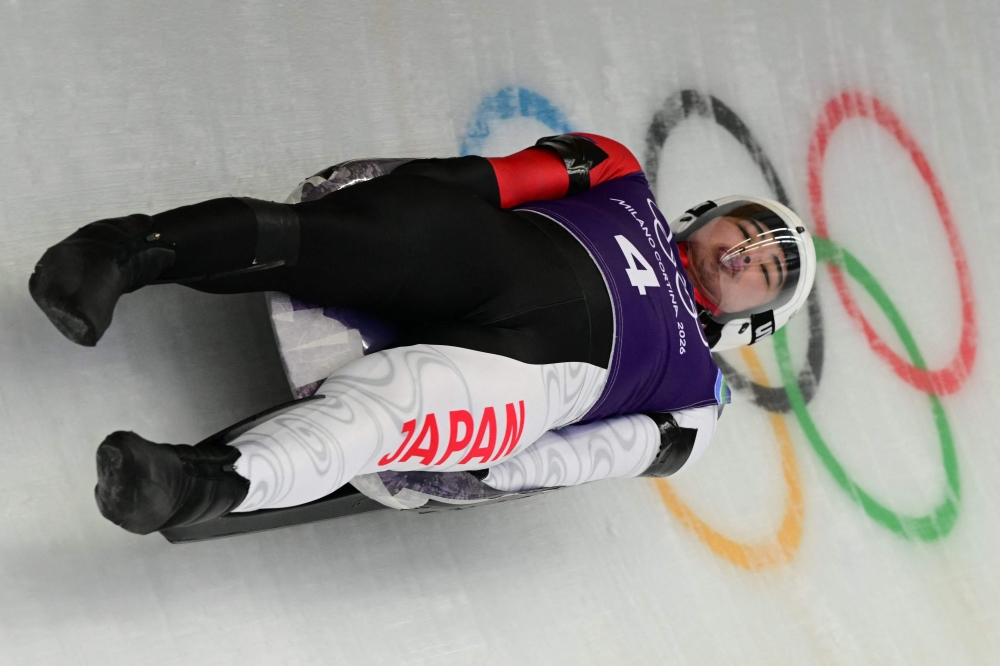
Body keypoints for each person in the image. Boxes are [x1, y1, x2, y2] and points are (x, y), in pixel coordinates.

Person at [29, 133, 816, 535]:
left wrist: (489, 473)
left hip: (533, 375)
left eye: (763, 269)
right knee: (371, 239)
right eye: (745, 233)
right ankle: (119, 250)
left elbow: (585, 457)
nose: (742, 255)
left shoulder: (698, 404)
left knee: (401, 410)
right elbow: (487, 180)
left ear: (759, 313)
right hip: (493, 257)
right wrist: (390, 203)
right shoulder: (617, 174)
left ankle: (194, 484)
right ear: (711, 217)